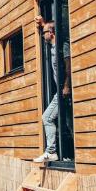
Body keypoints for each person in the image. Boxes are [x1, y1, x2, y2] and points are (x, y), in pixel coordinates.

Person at [32, 16, 71, 163]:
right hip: (61, 90)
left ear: (52, 33)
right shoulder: (53, 46)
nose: (43, 35)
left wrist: (67, 85)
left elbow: (69, 67)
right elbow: (48, 27)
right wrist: (43, 23)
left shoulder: (63, 46)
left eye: (44, 33)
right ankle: (72, 154)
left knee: (47, 117)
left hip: (64, 89)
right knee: (68, 121)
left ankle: (51, 152)